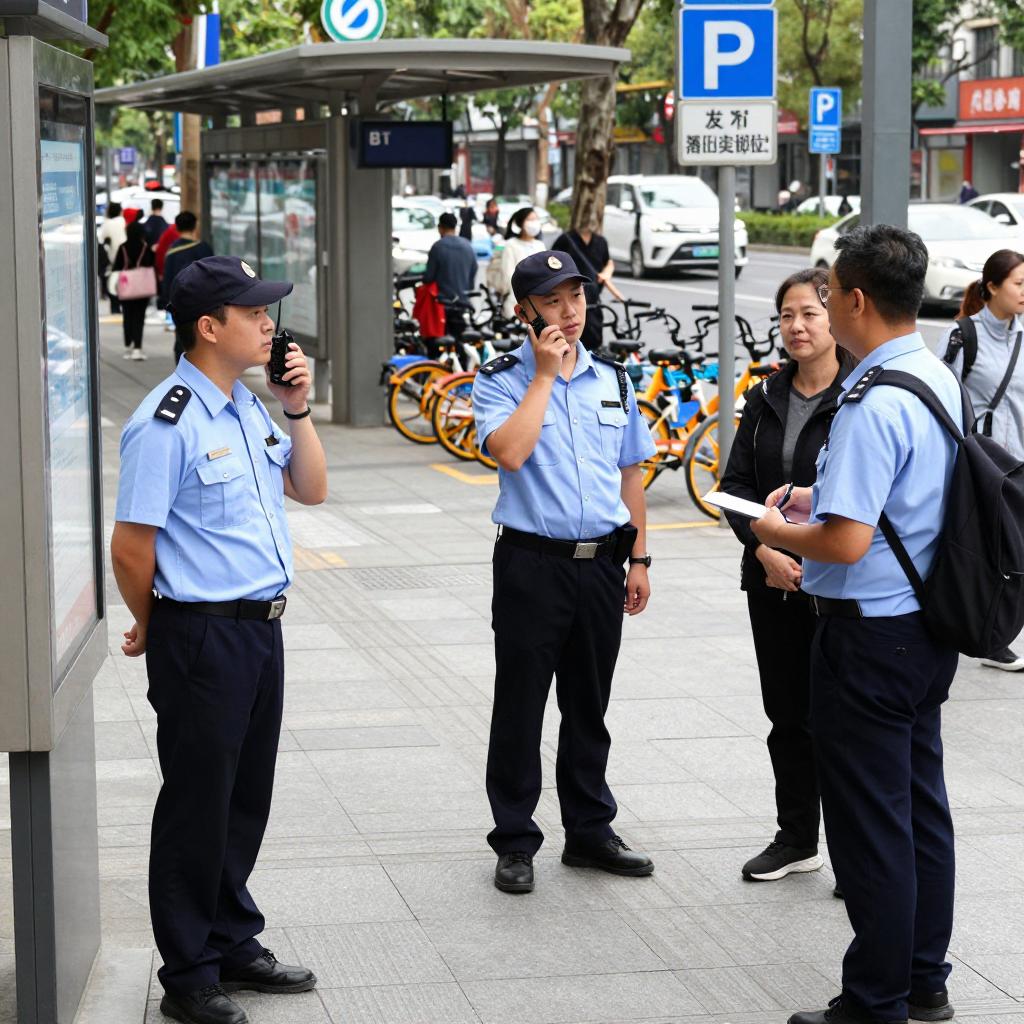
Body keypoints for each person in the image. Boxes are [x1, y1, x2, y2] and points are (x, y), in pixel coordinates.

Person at [751, 225, 962, 1024]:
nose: (827, 304)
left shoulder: (872, 401)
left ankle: (875, 1002)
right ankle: (924, 979)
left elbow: (844, 542)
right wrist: (819, 498)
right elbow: (900, 498)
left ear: (858, 300)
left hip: (868, 639)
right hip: (923, 626)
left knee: (872, 827)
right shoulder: (932, 376)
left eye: (832, 292)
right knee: (920, 810)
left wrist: (776, 530)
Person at [110, 255, 327, 1024]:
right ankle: (189, 973)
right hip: (201, 635)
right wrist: (153, 621)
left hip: (260, 631)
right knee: (196, 807)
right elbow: (130, 547)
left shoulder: (245, 407)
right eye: (254, 313)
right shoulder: (165, 422)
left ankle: (232, 938)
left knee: (243, 798)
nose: (269, 325)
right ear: (209, 327)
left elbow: (311, 488)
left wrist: (296, 409)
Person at [472, 250, 658, 895]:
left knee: (589, 704)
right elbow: (510, 452)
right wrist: (545, 376)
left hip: (601, 563)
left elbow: (630, 474)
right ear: (523, 311)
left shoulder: (615, 379)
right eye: (551, 301)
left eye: (575, 296)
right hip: (532, 564)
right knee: (520, 705)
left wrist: (638, 559)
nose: (569, 311)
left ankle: (589, 831)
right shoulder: (500, 378)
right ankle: (514, 839)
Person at [720, 267, 854, 885]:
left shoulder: (861, 393)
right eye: (786, 315)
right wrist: (763, 550)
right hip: (772, 583)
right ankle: (797, 838)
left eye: (810, 314)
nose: (796, 326)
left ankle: (854, 855)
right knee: (788, 716)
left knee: (844, 722)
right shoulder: (766, 395)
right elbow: (735, 487)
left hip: (841, 588)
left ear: (836, 318)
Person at [937, 248, 1024, 671]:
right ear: (992, 286)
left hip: (1017, 465)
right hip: (980, 469)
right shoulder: (962, 336)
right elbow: (942, 399)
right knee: (984, 550)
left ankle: (993, 626)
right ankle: (987, 633)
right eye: (1019, 284)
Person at [552, 220, 620, 351]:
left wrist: (606, 273)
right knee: (569, 343)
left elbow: (608, 262)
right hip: (570, 301)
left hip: (593, 304)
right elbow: (553, 267)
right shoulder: (566, 239)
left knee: (593, 345)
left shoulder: (601, 241)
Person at [162, 212, 215, 357]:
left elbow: (167, 279)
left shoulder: (172, 251)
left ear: (177, 227)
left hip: (179, 302)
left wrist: (167, 302)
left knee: (182, 337)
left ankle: (183, 365)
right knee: (203, 335)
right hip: (203, 301)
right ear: (195, 226)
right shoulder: (203, 248)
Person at [422, 211, 478, 340]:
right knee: (460, 340)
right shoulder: (467, 245)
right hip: (463, 302)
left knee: (439, 342)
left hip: (442, 304)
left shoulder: (437, 247)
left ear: (440, 228)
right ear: (455, 227)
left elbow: (428, 277)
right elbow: (473, 271)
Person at [112, 220, 157, 360]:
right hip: (142, 288)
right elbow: (151, 264)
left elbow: (117, 266)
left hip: (126, 286)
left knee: (127, 316)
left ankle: (128, 345)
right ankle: (137, 347)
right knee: (139, 317)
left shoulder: (123, 247)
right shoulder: (145, 247)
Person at [498, 207, 545, 318]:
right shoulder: (511, 245)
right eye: (530, 219)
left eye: (536, 219)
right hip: (516, 301)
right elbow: (507, 275)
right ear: (521, 223)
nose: (534, 223)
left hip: (539, 301)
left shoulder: (540, 245)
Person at [99, 201, 127, 314]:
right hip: (124, 258)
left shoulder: (107, 224)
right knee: (123, 283)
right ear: (120, 211)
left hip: (112, 259)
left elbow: (102, 240)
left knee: (112, 284)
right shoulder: (123, 222)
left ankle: (115, 307)